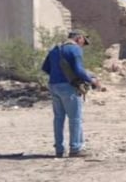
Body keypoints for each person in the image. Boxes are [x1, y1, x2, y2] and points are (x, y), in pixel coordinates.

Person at [41, 30, 101, 158]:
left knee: (58, 119)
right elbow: (79, 70)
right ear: (79, 38)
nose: (82, 45)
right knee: (75, 119)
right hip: (69, 88)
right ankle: (75, 148)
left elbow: (45, 68)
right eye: (83, 42)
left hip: (53, 85)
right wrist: (92, 80)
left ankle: (59, 149)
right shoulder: (75, 49)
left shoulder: (55, 49)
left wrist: (58, 76)